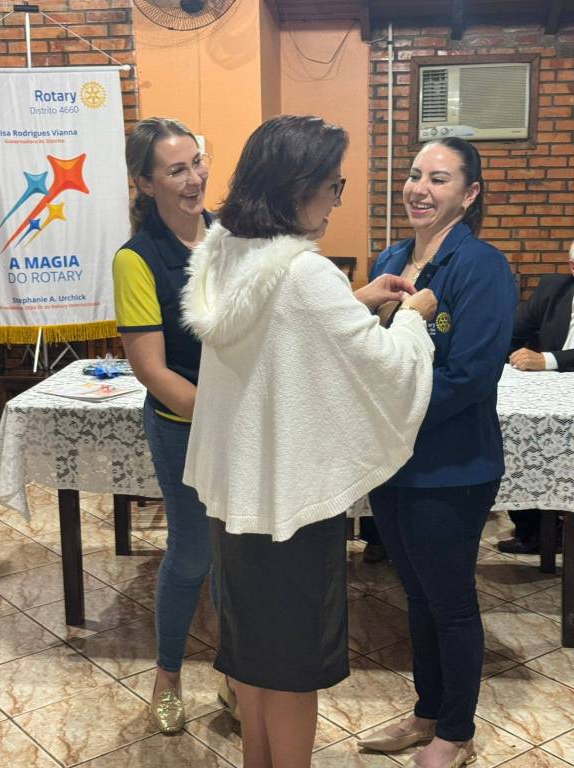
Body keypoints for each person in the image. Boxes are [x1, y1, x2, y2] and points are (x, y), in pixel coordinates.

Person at [181, 115, 437, 768]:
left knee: (254, 659)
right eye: (333, 185)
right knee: (292, 668)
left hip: (237, 497)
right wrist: (413, 319)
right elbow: (387, 368)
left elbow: (278, 333)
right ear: (298, 187)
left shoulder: (229, 254)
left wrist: (354, 300)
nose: (336, 200)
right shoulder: (303, 273)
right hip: (289, 503)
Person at [358, 137, 516, 768]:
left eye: (439, 179)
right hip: (393, 461)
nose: (419, 188)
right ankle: (427, 713)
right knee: (416, 595)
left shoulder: (482, 267)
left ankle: (456, 731)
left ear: (469, 194)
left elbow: (471, 376)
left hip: (451, 465)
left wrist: (392, 409)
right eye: (415, 174)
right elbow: (370, 355)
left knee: (449, 602)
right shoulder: (391, 259)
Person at [112, 117, 213, 733]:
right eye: (177, 169)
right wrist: (227, 417)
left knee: (238, 557)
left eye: (197, 162)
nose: (194, 178)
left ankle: (236, 673)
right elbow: (152, 370)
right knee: (194, 553)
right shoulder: (137, 259)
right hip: (184, 424)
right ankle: (168, 674)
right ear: (146, 183)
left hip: (241, 426)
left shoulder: (229, 236)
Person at [497, 240, 574, 554]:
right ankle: (535, 531)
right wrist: (504, 357)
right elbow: (513, 331)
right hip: (548, 392)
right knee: (516, 433)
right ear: (572, 268)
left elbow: (547, 360)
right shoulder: (553, 289)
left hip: (558, 379)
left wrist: (548, 360)